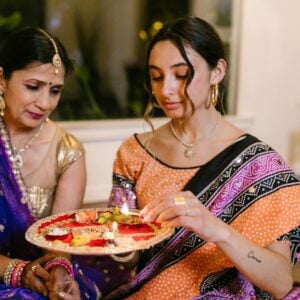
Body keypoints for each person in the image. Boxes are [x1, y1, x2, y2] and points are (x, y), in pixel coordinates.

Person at [105, 16, 300, 299]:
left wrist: (213, 227)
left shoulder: (260, 165)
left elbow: (280, 282)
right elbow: (124, 257)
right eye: (156, 76)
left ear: (217, 71)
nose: (166, 90)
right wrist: (118, 247)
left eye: (182, 74)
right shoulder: (134, 153)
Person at [0, 27, 85, 299]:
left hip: (36, 278)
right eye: (33, 87)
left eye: (55, 90)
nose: (44, 103)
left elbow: (59, 243)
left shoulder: (67, 151)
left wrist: (59, 272)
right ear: (2, 79)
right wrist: (14, 270)